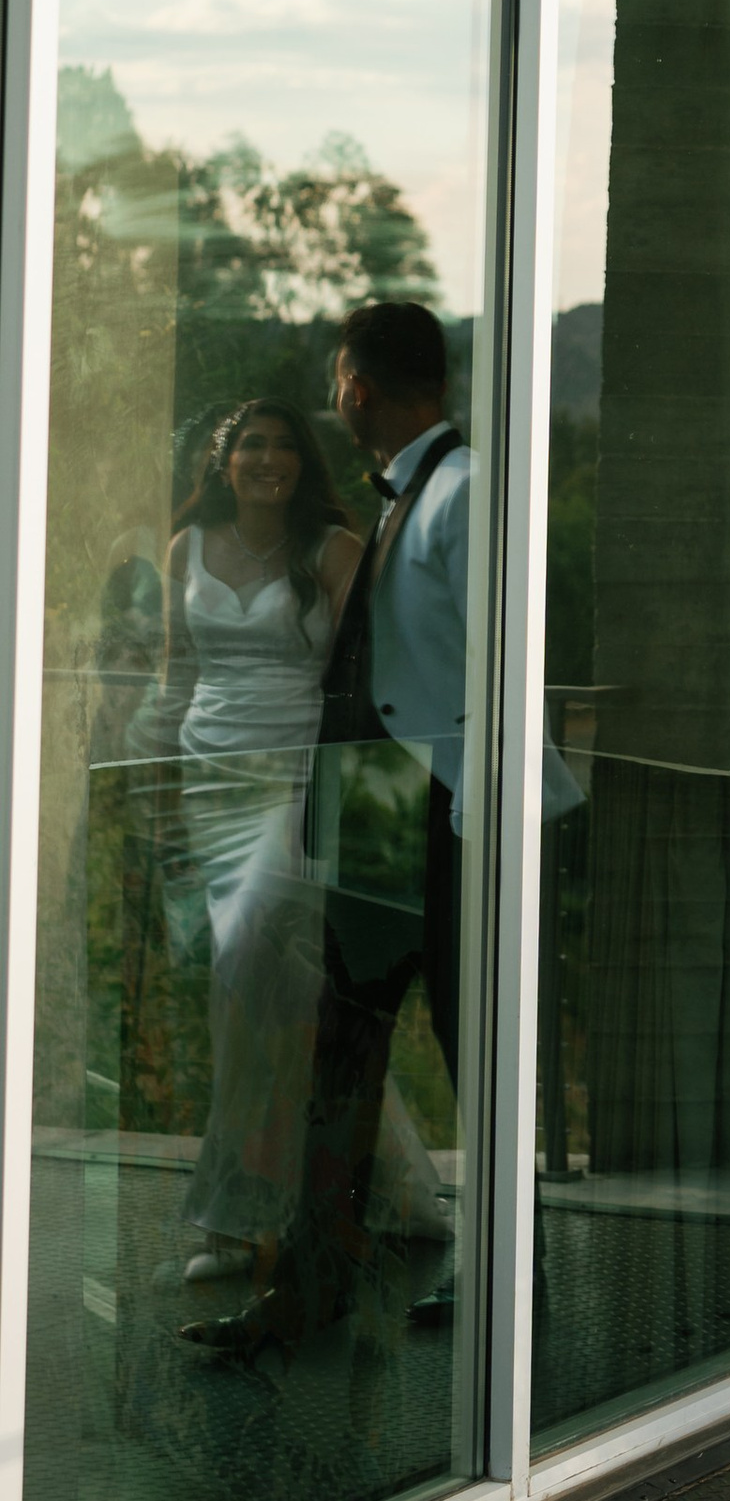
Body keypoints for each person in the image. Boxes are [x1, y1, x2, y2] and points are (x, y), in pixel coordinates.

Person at [185, 300, 475, 1362]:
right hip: (377, 824)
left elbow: (496, 667)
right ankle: (311, 1281)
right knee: (340, 1050)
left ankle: (508, 1277)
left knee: (467, 1042)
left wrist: (474, 818)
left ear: (355, 387)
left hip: (440, 822)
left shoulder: (461, 493)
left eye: (337, 382)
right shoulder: (403, 496)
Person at [146, 400, 444, 1286]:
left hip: (295, 784)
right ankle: (374, 1194)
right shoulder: (186, 548)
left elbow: (373, 675)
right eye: (250, 445)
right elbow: (173, 677)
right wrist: (153, 785)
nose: (267, 458)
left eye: (281, 445)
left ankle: (240, 1218)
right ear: (223, 461)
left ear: (301, 463)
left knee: (246, 970)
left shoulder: (332, 551)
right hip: (208, 782)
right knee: (271, 997)